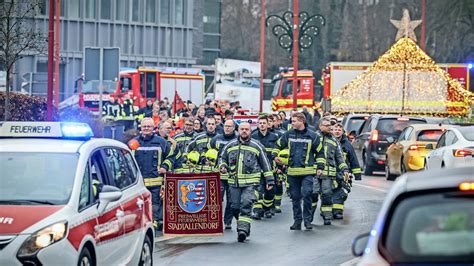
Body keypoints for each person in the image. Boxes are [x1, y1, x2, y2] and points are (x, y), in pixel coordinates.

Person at [219, 122, 274, 242]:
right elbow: (222, 158)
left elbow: (265, 163)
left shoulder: (257, 145)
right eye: (242, 129)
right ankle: (243, 225)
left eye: (247, 129)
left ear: (250, 131)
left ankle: (242, 231)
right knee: (234, 207)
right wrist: (222, 166)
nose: (244, 131)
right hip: (234, 183)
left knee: (246, 204)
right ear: (238, 130)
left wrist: (269, 180)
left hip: (251, 183)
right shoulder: (230, 145)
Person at [275, 112, 324, 230]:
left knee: (307, 193)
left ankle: (307, 221)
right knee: (295, 197)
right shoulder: (288, 134)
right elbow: (278, 146)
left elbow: (320, 152)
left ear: (302, 121)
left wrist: (320, 167)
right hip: (292, 172)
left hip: (307, 171)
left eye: (294, 121)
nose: (291, 123)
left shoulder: (312, 136)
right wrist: (275, 156)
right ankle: (297, 221)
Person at [130, 118, 174, 232]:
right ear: (140, 127)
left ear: (153, 128)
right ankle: (140, 224)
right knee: (139, 204)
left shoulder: (161, 142)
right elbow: (127, 159)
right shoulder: (134, 143)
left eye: (148, 127)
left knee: (154, 204)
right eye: (144, 126)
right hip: (139, 182)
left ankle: (152, 224)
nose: (146, 129)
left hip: (156, 181)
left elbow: (171, 156)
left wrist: (165, 166)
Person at [313, 117, 349, 225]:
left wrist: (344, 169)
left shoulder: (334, 140)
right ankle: (308, 217)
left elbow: (339, 157)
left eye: (330, 125)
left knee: (327, 195)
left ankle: (327, 217)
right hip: (313, 173)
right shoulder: (314, 137)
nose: (329, 127)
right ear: (320, 126)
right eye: (327, 126)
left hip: (328, 174)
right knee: (312, 194)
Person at [209, 119, 238, 229]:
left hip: (232, 175)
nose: (227, 128)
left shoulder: (237, 139)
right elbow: (210, 152)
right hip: (219, 175)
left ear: (234, 128)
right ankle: (216, 220)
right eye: (225, 126)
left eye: (229, 126)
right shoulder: (216, 139)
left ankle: (228, 221)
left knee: (231, 200)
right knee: (217, 199)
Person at [331, 123, 362, 219]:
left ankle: (337, 211)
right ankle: (328, 210)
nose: (337, 131)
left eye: (339, 130)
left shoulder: (347, 144)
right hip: (330, 171)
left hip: (344, 172)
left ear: (343, 132)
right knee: (328, 191)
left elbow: (353, 158)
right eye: (335, 129)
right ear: (332, 131)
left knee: (343, 191)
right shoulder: (328, 141)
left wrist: (357, 174)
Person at [251, 115, 279, 219]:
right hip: (257, 168)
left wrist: (279, 167)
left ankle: (267, 208)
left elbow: (278, 153)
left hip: (271, 168)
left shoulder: (274, 137)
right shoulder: (253, 137)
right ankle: (258, 211)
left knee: (271, 191)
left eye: (264, 123)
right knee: (258, 190)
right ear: (257, 124)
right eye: (260, 123)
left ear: (268, 124)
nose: (262, 125)